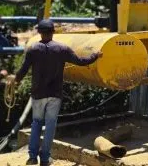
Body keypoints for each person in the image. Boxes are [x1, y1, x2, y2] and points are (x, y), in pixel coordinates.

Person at [9, 19, 103, 166]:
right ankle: (45, 159)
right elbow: (81, 62)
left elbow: (22, 71)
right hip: (54, 94)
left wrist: (15, 81)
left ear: (39, 32)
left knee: (36, 123)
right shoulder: (62, 49)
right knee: (50, 125)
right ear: (53, 32)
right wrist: (95, 55)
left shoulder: (33, 49)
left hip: (38, 93)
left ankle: (32, 157)